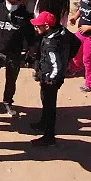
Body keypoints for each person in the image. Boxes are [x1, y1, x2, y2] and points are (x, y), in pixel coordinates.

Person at [31, 11, 78, 146]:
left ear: (46, 26)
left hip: (51, 79)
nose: (36, 28)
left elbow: (56, 65)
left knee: (49, 106)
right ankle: (43, 122)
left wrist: (50, 78)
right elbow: (76, 42)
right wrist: (68, 57)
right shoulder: (62, 31)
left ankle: (49, 136)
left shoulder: (51, 43)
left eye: (38, 25)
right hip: (52, 76)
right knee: (46, 101)